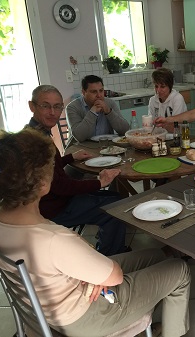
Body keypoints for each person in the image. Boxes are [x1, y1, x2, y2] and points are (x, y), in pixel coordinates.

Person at [0, 128, 190, 337]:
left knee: (155, 256)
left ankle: (148, 314)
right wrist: (97, 277)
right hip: (86, 318)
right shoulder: (54, 239)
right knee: (179, 269)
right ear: (41, 183)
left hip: (49, 305)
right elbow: (114, 276)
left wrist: (92, 275)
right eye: (52, 166)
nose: (55, 169)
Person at [27, 84, 128, 256]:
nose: (52, 112)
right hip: (55, 209)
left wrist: (70, 158)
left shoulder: (36, 133)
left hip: (55, 200)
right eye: (45, 106)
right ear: (32, 106)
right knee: (115, 208)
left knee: (117, 197)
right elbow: (61, 186)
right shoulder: (36, 143)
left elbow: (53, 169)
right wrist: (98, 182)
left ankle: (110, 240)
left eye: (57, 106)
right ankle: (110, 256)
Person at [66, 75, 129, 142]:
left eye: (101, 91)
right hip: (81, 148)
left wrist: (109, 112)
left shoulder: (110, 103)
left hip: (107, 146)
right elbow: (79, 137)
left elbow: (125, 130)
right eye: (94, 92)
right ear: (84, 92)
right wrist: (93, 112)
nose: (99, 95)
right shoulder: (72, 107)